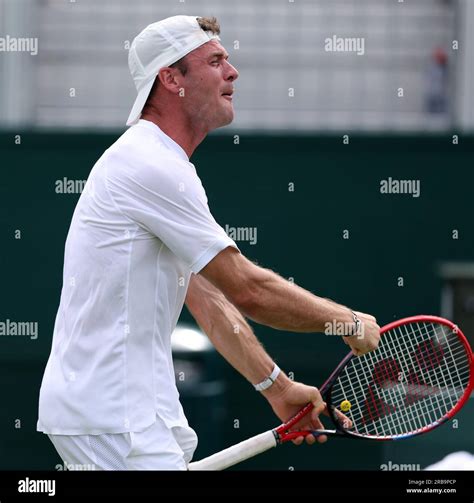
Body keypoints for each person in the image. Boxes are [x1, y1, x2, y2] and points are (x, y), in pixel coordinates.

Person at [37, 15, 380, 470]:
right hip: (113, 416)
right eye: (215, 60)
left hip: (126, 413)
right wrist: (347, 321)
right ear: (171, 78)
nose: (232, 72)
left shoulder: (158, 163)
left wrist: (277, 388)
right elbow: (248, 289)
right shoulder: (149, 164)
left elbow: (209, 298)